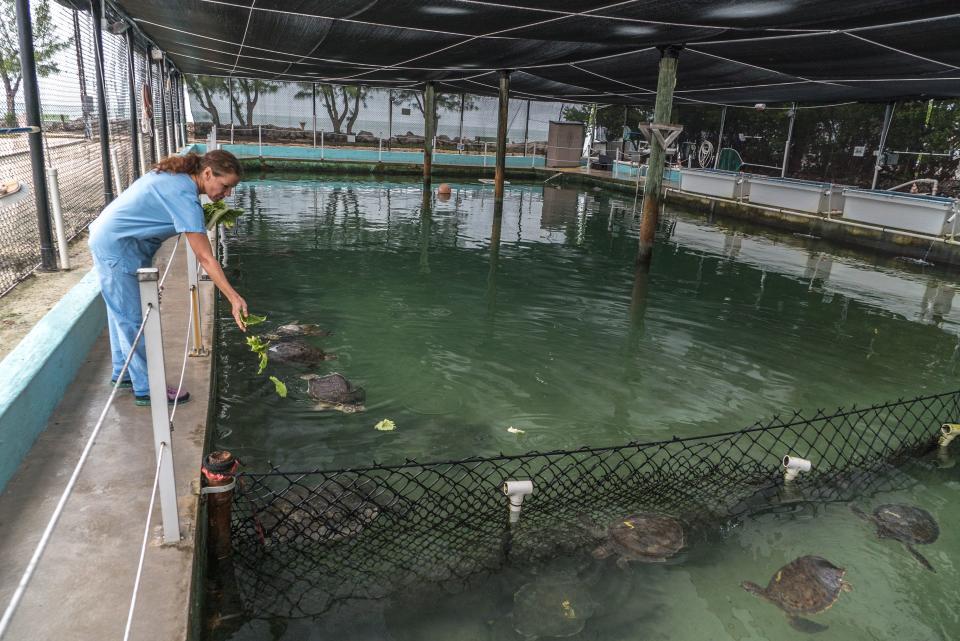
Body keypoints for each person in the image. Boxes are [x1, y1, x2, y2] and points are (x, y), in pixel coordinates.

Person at [88, 150, 249, 406]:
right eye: (226, 186)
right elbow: (205, 257)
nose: (227, 194)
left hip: (118, 242)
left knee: (121, 315)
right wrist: (234, 297)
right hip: (117, 248)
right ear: (207, 173)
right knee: (133, 319)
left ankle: (125, 372)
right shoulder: (183, 194)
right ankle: (147, 388)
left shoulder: (179, 179)